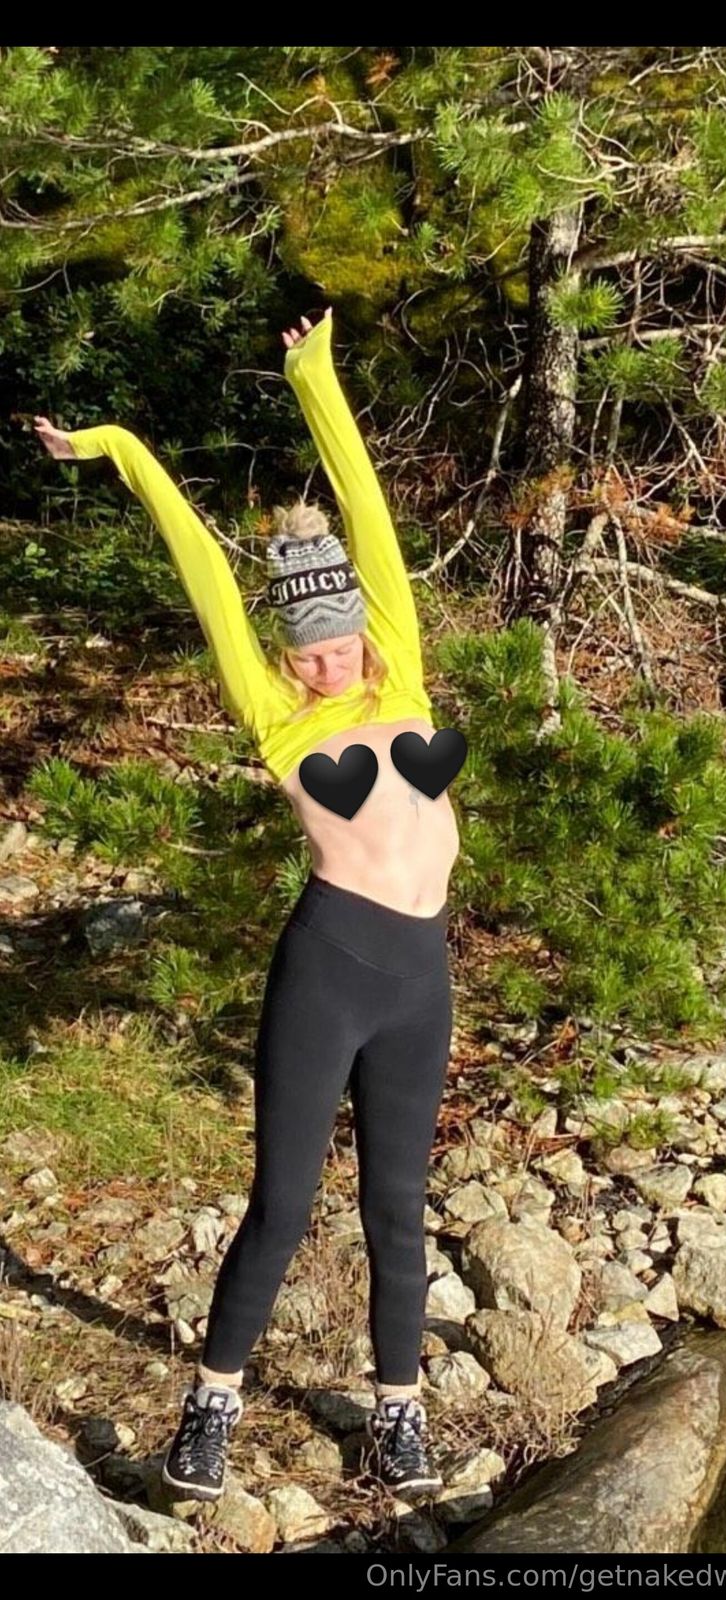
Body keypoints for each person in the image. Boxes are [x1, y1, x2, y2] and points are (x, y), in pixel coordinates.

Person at [34, 307, 461, 1502]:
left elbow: (367, 517)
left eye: (339, 645)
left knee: (396, 1208)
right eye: (308, 652)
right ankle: (211, 1404)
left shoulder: (401, 668)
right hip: (331, 964)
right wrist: (116, 446)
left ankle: (398, 1414)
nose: (328, 661)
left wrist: (313, 375)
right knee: (281, 1203)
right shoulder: (276, 714)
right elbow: (206, 571)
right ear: (284, 658)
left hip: (420, 976)